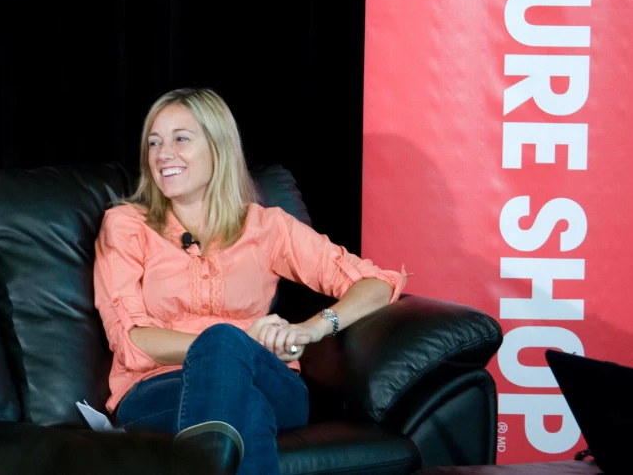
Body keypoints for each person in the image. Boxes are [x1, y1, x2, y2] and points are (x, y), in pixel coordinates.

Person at [93, 88, 408, 474]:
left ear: (219, 146)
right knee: (243, 396)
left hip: (273, 382)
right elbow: (131, 340)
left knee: (237, 372)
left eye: (181, 139)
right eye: (154, 142)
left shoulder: (267, 227)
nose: (162, 154)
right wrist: (231, 347)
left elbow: (375, 282)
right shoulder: (126, 226)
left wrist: (310, 330)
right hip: (158, 390)